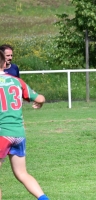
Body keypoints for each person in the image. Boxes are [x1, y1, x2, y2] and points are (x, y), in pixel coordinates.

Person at [0, 51, 49, 200]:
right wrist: (39, 103)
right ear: (4, 63)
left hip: (2, 133)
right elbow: (40, 98)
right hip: (18, 133)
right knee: (22, 174)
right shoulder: (16, 81)